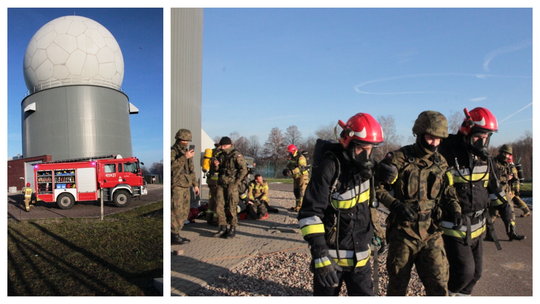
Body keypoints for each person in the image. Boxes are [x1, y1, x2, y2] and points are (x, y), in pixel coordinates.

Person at [438, 107, 525, 296]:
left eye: (487, 137)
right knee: (463, 272)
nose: (483, 141)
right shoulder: (447, 153)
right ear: (467, 131)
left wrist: (509, 220)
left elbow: (497, 192)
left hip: (478, 226)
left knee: (476, 274)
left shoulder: (486, 160)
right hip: (453, 225)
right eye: (479, 136)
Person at [298, 113, 383, 296]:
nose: (366, 155)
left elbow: (367, 207)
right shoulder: (329, 167)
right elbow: (309, 214)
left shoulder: (367, 169)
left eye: (370, 149)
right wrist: (320, 253)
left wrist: (377, 232)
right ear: (347, 143)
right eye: (361, 149)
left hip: (361, 263)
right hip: (331, 261)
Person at [375, 111, 458, 296]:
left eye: (438, 140)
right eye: (430, 138)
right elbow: (378, 188)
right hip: (403, 233)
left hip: (431, 232)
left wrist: (455, 208)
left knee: (439, 284)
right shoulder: (398, 159)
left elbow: (448, 191)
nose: (434, 144)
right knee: (398, 284)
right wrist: (395, 205)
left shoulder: (441, 162)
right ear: (419, 134)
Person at [212, 136, 248, 239]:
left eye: (224, 145)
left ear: (229, 145)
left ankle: (232, 228)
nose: (223, 148)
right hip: (221, 183)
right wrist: (216, 165)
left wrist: (236, 182)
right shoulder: (220, 155)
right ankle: (223, 227)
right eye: (222, 145)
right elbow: (217, 170)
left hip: (232, 184)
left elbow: (243, 170)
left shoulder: (236, 155)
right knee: (219, 205)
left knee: (232, 206)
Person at [171, 128, 200, 245]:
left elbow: (191, 170)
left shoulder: (187, 152)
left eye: (187, 141)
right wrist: (184, 158)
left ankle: (176, 232)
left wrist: (195, 185)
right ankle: (173, 234)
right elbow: (171, 167)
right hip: (177, 185)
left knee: (184, 211)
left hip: (186, 185)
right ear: (179, 139)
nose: (186, 143)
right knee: (176, 211)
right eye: (184, 140)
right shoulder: (173, 152)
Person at [283, 144, 310, 212]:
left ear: (293, 151)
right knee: (296, 191)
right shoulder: (293, 158)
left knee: (301, 191)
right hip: (296, 177)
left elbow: (301, 168)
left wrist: (291, 172)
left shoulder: (301, 158)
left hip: (302, 176)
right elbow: (289, 165)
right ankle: (297, 206)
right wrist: (286, 170)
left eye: (290, 152)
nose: (289, 153)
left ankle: (301, 207)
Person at [205, 143, 222, 225]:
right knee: (217, 200)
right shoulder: (219, 154)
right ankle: (215, 219)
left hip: (210, 180)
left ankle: (209, 218)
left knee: (211, 200)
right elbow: (217, 168)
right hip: (217, 182)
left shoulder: (211, 153)